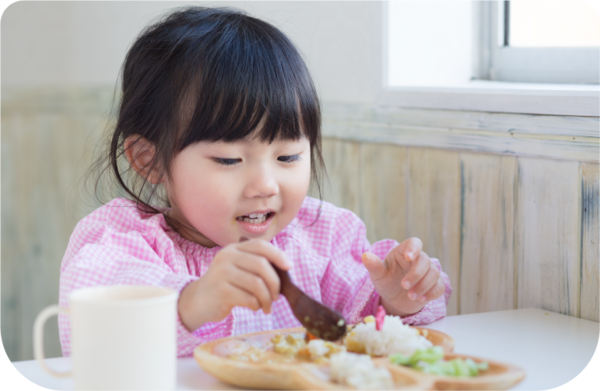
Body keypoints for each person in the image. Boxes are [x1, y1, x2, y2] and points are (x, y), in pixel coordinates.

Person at [58, 6, 452, 357]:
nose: (265, 184)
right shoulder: (120, 241)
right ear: (149, 160)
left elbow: (360, 326)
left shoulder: (320, 237)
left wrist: (397, 299)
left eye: (288, 157)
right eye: (229, 159)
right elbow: (93, 333)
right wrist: (192, 303)